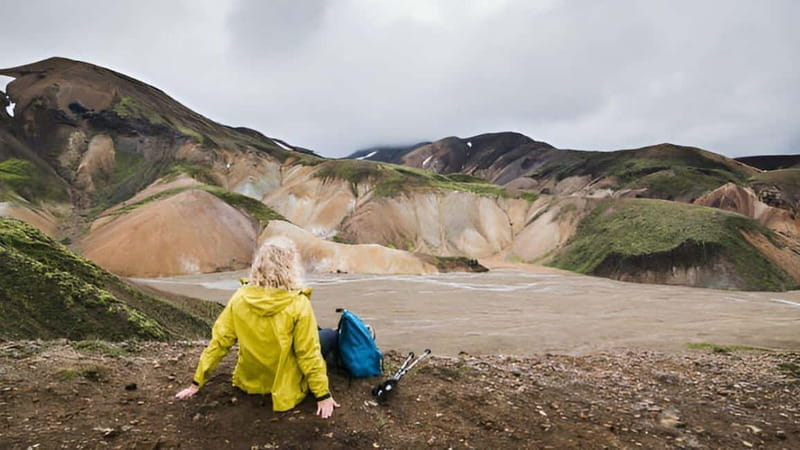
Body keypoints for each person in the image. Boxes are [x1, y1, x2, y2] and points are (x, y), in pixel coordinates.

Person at [175, 237, 340, 418]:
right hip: (284, 385)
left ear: (258, 264)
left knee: (315, 332)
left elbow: (219, 343)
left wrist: (196, 382)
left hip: (250, 381)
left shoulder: (239, 298)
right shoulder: (298, 303)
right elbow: (307, 353)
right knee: (330, 336)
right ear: (291, 266)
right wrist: (323, 395)